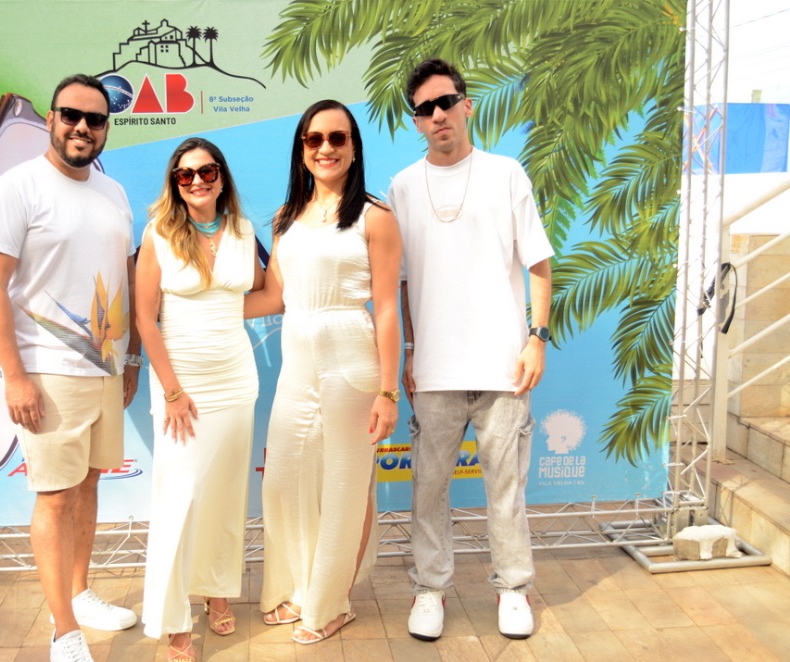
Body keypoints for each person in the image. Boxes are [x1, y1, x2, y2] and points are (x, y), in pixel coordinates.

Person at [387, 57, 554, 641]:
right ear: (416, 121)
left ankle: (513, 588)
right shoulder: (402, 187)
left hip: (504, 366)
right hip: (434, 369)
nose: (437, 115)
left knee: (506, 489)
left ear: (467, 104)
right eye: (424, 109)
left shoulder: (506, 174)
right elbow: (402, 281)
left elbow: (539, 263)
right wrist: (411, 350)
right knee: (428, 488)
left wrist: (536, 338)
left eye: (445, 102)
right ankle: (429, 590)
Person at [0, 74, 141, 662]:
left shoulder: (113, 192)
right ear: (51, 118)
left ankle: (78, 593)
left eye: (95, 119)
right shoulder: (16, 188)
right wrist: (15, 376)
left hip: (105, 369)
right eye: (71, 115)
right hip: (46, 372)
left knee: (89, 484)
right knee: (54, 496)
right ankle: (63, 632)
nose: (82, 127)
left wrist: (132, 359)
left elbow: (126, 279)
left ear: (106, 128)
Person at [245, 99, 402, 645]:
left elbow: (387, 308)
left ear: (354, 148)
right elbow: (273, 296)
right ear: (302, 149)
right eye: (314, 139)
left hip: (351, 363)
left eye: (338, 137)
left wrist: (388, 391)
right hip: (298, 366)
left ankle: (333, 603)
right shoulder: (286, 218)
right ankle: (299, 585)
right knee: (283, 483)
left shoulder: (376, 217)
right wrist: (201, 307)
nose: (326, 148)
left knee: (344, 487)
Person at [135, 137, 263, 662]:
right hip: (180, 386)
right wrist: (172, 391)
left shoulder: (243, 231)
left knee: (225, 496)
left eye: (206, 171)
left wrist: (224, 315)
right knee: (179, 500)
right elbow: (145, 319)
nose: (196, 181)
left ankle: (216, 591)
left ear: (221, 176)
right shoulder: (159, 234)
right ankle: (174, 623)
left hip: (237, 381)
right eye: (185, 175)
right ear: (175, 183)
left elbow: (263, 292)